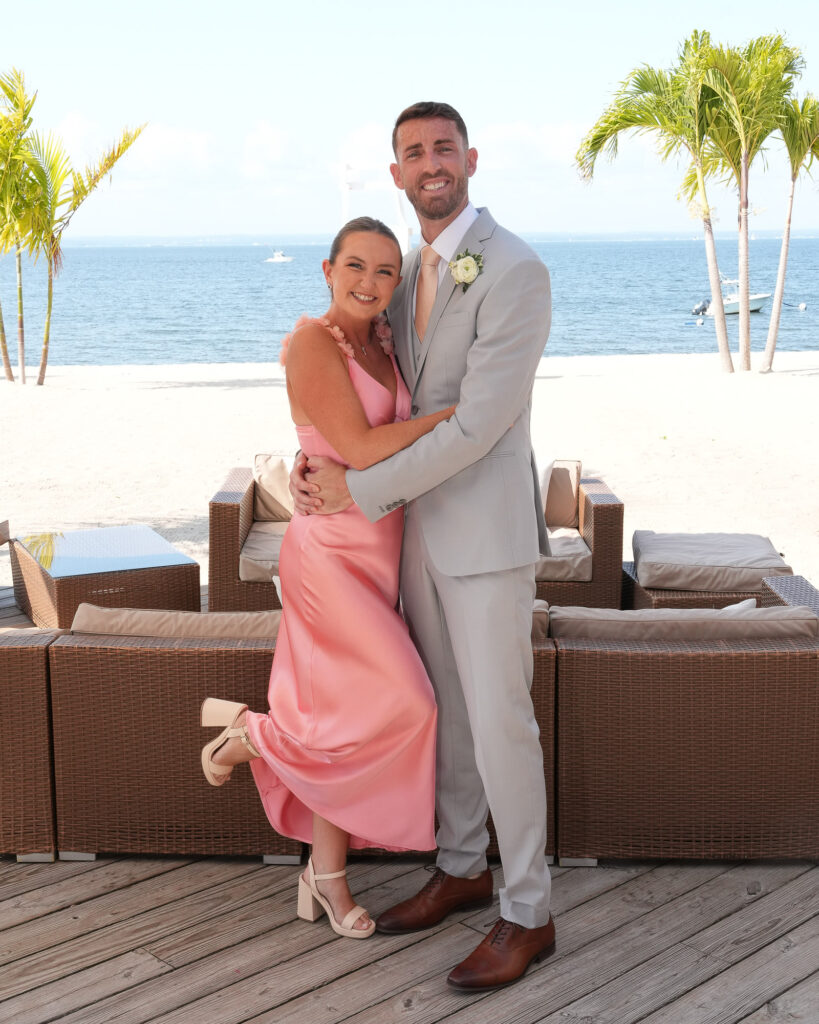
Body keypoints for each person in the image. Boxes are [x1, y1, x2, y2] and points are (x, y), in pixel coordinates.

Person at [290, 101, 554, 988]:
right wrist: (312, 462)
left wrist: (357, 490)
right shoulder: (402, 281)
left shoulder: (514, 269)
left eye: (443, 147)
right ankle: (460, 866)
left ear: (470, 158)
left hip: (482, 535)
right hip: (411, 540)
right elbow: (367, 388)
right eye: (412, 153)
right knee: (444, 713)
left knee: (500, 721)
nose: (430, 163)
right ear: (395, 173)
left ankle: (527, 910)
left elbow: (478, 425)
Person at [200, 217, 455, 940]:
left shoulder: (383, 341)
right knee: (409, 704)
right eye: (353, 266)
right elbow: (360, 446)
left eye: (383, 271)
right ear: (326, 269)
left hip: (380, 555)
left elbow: (370, 455)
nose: (367, 282)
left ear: (396, 284)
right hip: (330, 559)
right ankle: (249, 734)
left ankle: (326, 876)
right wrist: (454, 420)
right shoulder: (313, 341)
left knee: (347, 722)